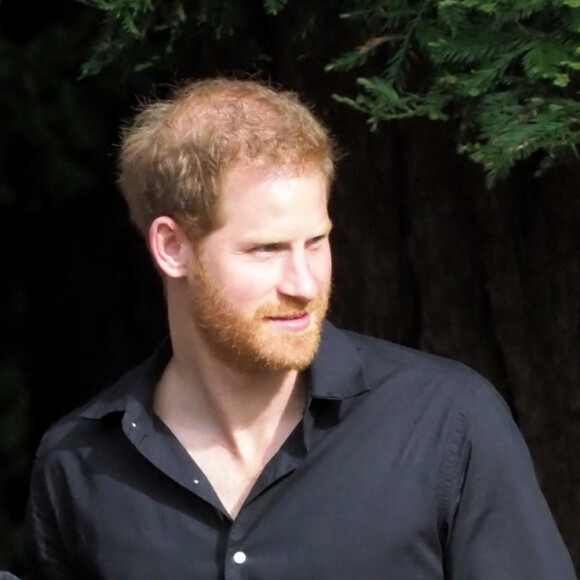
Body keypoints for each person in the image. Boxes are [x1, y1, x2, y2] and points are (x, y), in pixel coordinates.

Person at [25, 77, 576, 580]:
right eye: (265, 249)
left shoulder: (446, 422)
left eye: (316, 241)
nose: (305, 283)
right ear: (173, 248)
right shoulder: (77, 464)